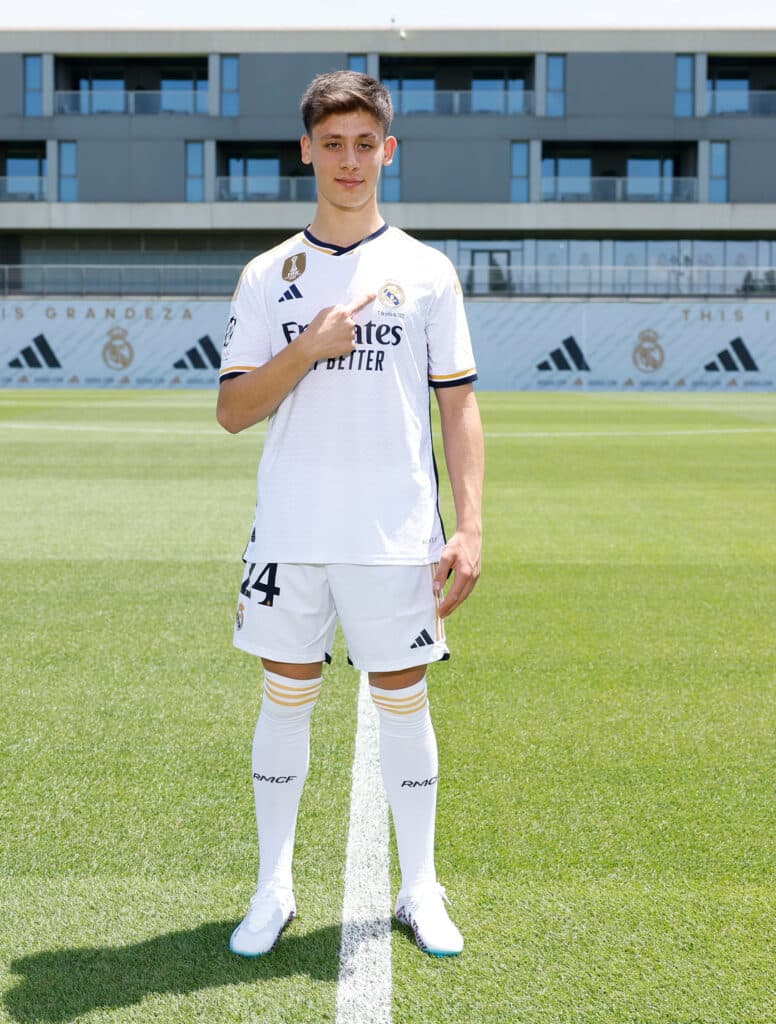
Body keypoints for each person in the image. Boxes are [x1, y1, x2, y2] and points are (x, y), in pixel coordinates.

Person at [216, 70, 484, 959]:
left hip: (395, 531)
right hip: (292, 532)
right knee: (284, 701)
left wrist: (471, 525)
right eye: (331, 143)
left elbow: (458, 408)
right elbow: (234, 409)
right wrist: (312, 345)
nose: (348, 160)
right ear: (306, 151)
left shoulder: (426, 270)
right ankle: (272, 887)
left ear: (387, 151)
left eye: (364, 143)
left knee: (402, 703)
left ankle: (419, 887)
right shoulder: (269, 275)